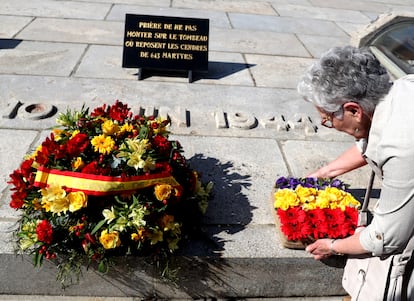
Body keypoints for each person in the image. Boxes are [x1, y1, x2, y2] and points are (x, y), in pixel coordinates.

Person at [296, 45, 414, 298]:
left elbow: (385, 237)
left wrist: (333, 246)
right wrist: (324, 173)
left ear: (353, 110)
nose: (328, 125)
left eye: (327, 119)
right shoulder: (402, 88)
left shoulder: (402, 146)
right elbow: (372, 140)